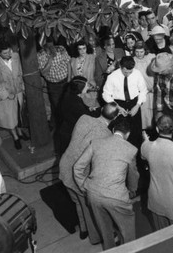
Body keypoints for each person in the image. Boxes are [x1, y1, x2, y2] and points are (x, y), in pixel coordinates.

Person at [73, 117, 139, 250]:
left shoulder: (95, 143)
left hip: (93, 195)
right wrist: (132, 190)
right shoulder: (131, 149)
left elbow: (77, 168)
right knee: (128, 230)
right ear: (128, 134)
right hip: (117, 197)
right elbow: (133, 175)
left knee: (105, 230)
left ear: (113, 130)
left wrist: (84, 186)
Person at [59, 103, 118, 244]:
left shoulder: (83, 118)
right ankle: (95, 237)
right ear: (115, 118)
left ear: (101, 109)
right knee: (89, 208)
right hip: (79, 176)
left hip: (64, 166)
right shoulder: (107, 135)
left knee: (77, 202)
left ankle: (83, 229)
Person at [141, 115, 173, 230]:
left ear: (156, 129)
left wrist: (145, 140)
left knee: (162, 237)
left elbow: (143, 154)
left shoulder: (146, 147)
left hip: (155, 201)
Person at [102, 56, 147, 149]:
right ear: (121, 67)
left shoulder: (137, 74)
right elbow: (106, 94)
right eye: (126, 72)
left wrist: (137, 105)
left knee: (136, 132)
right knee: (119, 132)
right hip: (118, 103)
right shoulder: (112, 77)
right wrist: (117, 107)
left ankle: (137, 159)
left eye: (131, 72)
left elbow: (143, 91)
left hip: (134, 103)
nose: (128, 74)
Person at [0, 40, 26, 150]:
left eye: (9, 51)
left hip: (18, 91)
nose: (9, 54)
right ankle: (15, 137)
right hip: (5, 95)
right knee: (10, 118)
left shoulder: (15, 56)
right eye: (5, 53)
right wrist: (6, 95)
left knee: (18, 114)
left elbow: (20, 72)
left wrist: (22, 87)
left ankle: (19, 132)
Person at [37, 37, 70, 127]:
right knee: (57, 106)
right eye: (49, 45)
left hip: (65, 81)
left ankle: (67, 123)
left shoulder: (61, 49)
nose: (52, 47)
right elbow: (43, 73)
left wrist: (69, 79)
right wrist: (50, 58)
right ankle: (60, 126)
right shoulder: (41, 55)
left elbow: (68, 64)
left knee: (67, 104)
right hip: (53, 85)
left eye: (52, 44)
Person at [132, 41, 156, 131]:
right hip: (142, 93)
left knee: (154, 113)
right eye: (137, 52)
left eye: (141, 52)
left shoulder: (151, 57)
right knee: (144, 115)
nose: (139, 54)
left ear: (145, 50)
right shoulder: (133, 61)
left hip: (153, 91)